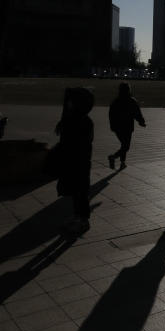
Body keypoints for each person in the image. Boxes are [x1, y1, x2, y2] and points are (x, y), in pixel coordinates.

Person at [56, 87, 95, 234]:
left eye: (71, 101)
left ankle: (83, 220)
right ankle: (77, 216)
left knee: (81, 192)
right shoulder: (72, 118)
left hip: (80, 162)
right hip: (73, 161)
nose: (68, 104)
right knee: (75, 191)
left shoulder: (83, 121)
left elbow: (78, 144)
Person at [107, 83, 146, 169]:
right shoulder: (132, 101)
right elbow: (137, 113)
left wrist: (112, 125)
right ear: (129, 90)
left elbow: (111, 115)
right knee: (126, 146)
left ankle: (122, 163)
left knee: (124, 144)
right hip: (127, 127)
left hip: (117, 127)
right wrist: (141, 122)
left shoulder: (115, 101)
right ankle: (114, 157)